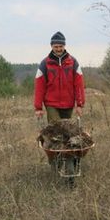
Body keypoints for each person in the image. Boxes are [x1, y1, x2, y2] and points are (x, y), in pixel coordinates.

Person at [34, 31, 85, 186]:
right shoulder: (45, 64)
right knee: (57, 133)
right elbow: (39, 86)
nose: (58, 48)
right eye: (56, 46)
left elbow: (79, 84)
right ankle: (56, 161)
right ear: (51, 46)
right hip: (51, 104)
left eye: (61, 46)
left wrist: (80, 104)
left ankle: (69, 160)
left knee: (69, 134)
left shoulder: (73, 63)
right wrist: (38, 107)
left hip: (68, 104)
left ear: (64, 46)